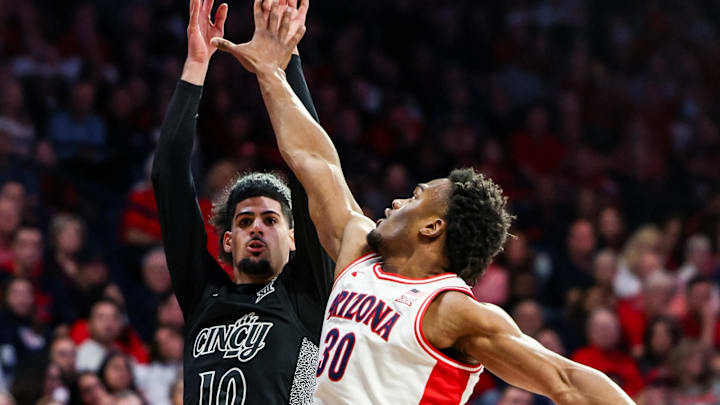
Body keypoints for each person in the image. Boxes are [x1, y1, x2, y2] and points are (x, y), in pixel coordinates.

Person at [213, 2, 634, 403]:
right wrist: (270, 72)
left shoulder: (452, 310)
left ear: (432, 227)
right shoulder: (357, 250)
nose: (396, 201)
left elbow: (567, 382)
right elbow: (315, 160)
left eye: (414, 197)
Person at [150, 0, 333, 402]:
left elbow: (312, 170)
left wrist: (286, 65)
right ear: (227, 241)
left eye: (270, 220)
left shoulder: (307, 294)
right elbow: (168, 177)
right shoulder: (203, 296)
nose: (257, 227)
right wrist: (196, 65)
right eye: (245, 220)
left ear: (293, 237)